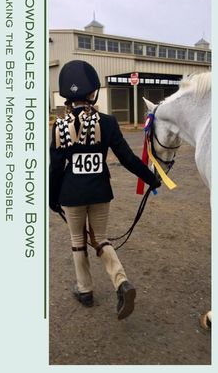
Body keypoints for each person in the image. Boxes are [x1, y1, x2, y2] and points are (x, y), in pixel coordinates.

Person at [49, 60, 161, 320]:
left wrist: (52, 198)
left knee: (78, 242)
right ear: (92, 92)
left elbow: (55, 169)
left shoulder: (60, 126)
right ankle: (121, 282)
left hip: (71, 194)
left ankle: (85, 290)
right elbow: (127, 158)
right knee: (101, 238)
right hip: (100, 191)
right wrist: (151, 178)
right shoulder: (108, 123)